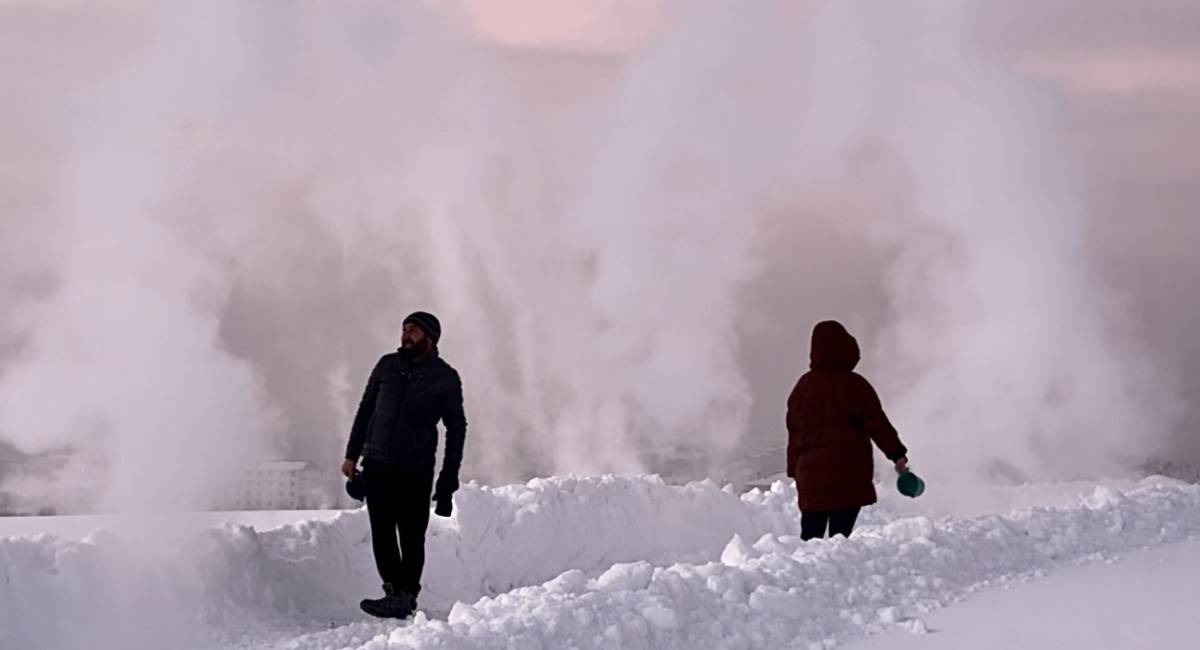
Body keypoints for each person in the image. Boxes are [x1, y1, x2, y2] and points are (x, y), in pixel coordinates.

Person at [341, 311, 467, 619]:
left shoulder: (445, 377)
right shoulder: (386, 366)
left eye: (413, 330)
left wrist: (448, 478)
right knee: (382, 533)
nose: (405, 335)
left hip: (416, 469)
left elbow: (457, 428)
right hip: (377, 463)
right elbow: (366, 408)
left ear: (430, 337)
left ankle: (407, 594)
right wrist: (351, 454)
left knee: (411, 536)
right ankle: (393, 593)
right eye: (403, 329)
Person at [785, 320, 909, 541]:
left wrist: (795, 469)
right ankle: (837, 572)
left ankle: (809, 574)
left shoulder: (802, 387)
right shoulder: (856, 386)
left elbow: (795, 433)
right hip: (848, 476)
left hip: (812, 478)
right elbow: (878, 425)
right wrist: (896, 454)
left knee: (811, 540)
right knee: (840, 540)